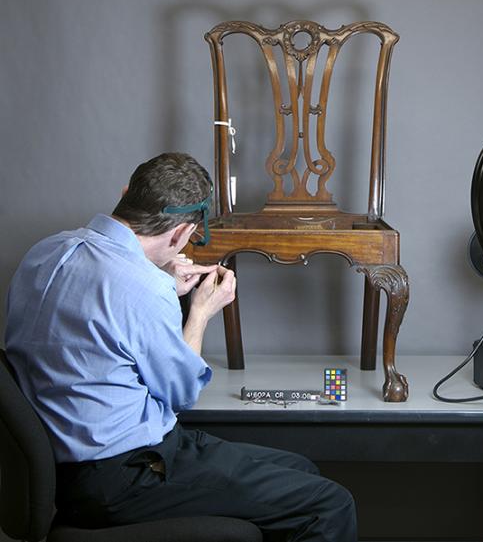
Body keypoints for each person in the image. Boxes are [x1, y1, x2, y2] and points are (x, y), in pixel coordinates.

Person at [4, 152, 357, 542]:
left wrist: (163, 289)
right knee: (329, 503)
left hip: (63, 468)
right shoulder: (142, 288)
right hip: (123, 477)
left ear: (127, 194)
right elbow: (182, 393)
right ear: (179, 234)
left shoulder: (44, 252)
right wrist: (200, 313)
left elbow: (93, 323)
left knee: (300, 469)